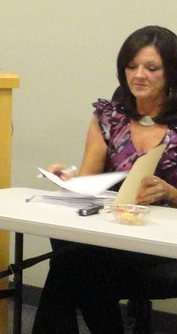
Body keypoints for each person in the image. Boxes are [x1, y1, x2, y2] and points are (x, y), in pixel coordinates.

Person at [33, 25, 177, 334]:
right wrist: (67, 180)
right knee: (74, 260)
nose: (139, 75)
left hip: (165, 243)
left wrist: (170, 192)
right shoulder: (109, 117)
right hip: (116, 234)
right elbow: (88, 181)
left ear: (171, 73)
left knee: (69, 267)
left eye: (151, 68)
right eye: (131, 66)